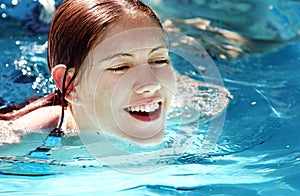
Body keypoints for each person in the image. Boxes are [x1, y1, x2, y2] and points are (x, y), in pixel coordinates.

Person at [0, 0, 231, 146]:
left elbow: (217, 98)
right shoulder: (34, 132)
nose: (151, 84)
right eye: (121, 67)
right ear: (70, 84)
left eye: (159, 59)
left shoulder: (186, 107)